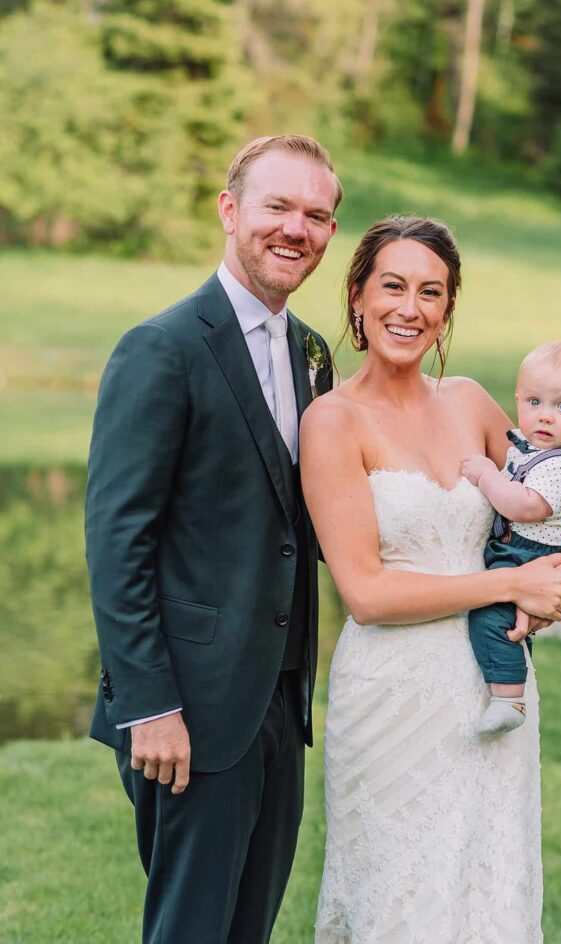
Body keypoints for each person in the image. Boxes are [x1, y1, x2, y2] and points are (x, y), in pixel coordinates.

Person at [300, 216, 561, 943]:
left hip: (494, 688)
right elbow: (364, 595)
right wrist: (507, 587)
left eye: (431, 292)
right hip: (391, 698)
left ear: (447, 310)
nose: (410, 307)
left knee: (486, 894)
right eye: (392, 286)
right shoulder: (330, 422)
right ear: (357, 297)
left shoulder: (468, 401)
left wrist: (557, 581)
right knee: (401, 898)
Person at [85, 134, 342, 944]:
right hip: (186, 711)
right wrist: (150, 705)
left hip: (278, 696)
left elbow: (315, 523)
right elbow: (117, 540)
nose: (296, 229)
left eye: (317, 214)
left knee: (247, 931)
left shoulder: (312, 353)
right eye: (278, 206)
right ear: (230, 210)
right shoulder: (161, 347)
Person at [461, 340, 561, 736]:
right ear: (518, 399)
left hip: (530, 552)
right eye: (534, 402)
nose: (545, 417)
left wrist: (486, 475)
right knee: (509, 621)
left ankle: (509, 699)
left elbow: (524, 506)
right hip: (521, 547)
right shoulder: (534, 448)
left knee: (493, 619)